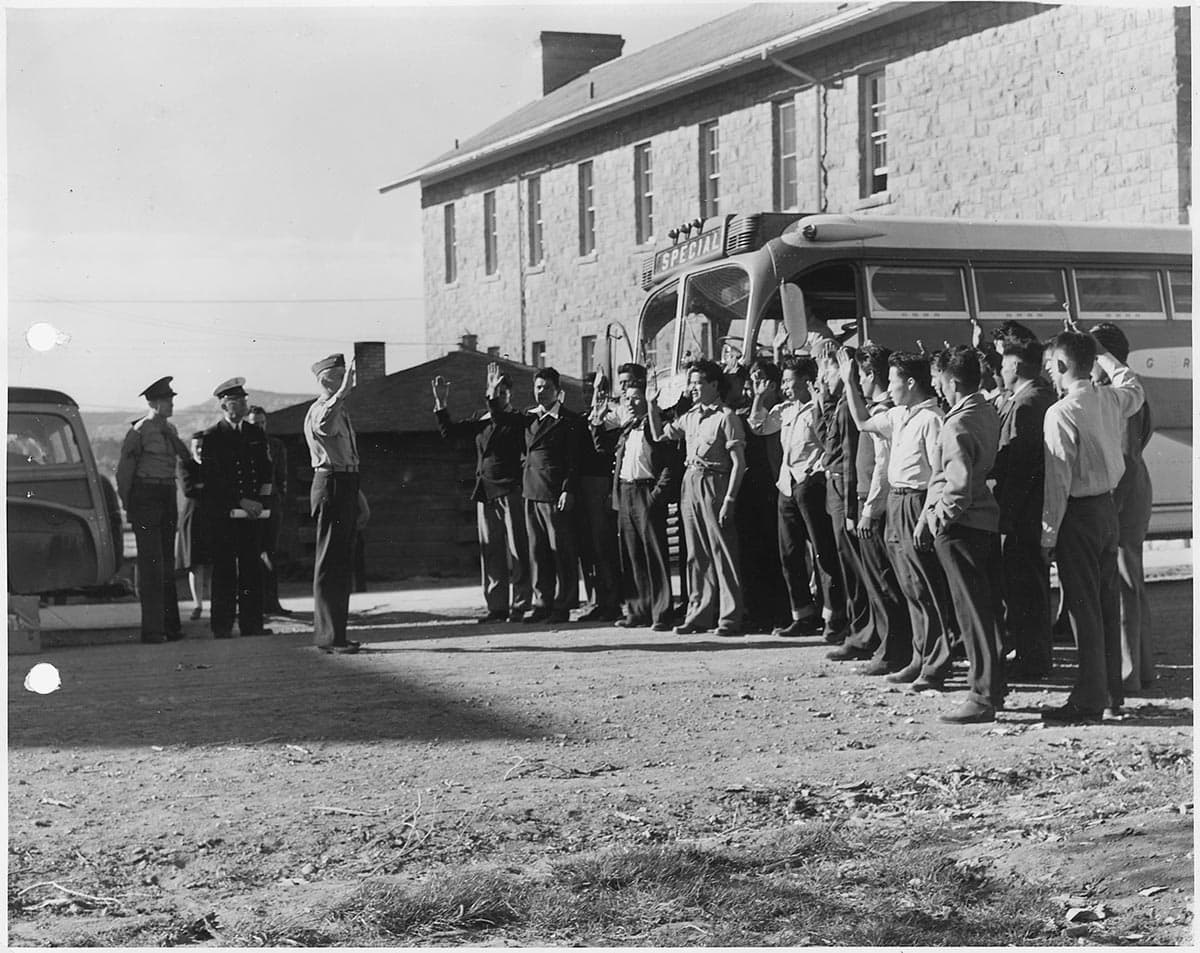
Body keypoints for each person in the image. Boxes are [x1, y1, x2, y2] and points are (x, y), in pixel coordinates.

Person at [1040, 329, 1144, 723]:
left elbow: (1058, 482)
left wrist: (1047, 535)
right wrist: (1103, 355)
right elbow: (1134, 386)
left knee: (1083, 610)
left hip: (1078, 515)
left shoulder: (1060, 412)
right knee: (1106, 605)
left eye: (1050, 365)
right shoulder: (1109, 398)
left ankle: (1088, 699)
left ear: (1061, 363)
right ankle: (1111, 694)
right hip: (1107, 510)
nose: (1049, 372)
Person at [839, 349, 955, 691]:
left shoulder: (931, 419)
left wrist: (926, 518)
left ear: (911, 382)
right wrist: (849, 383)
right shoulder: (900, 415)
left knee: (926, 586)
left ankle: (936, 664)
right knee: (909, 586)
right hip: (896, 501)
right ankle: (919, 658)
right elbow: (863, 422)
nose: (888, 388)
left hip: (917, 502)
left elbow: (938, 474)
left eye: (893, 381)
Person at [914, 346, 1005, 724]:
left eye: (939, 379)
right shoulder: (985, 411)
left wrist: (937, 520)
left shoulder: (956, 424)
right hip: (983, 523)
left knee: (971, 614)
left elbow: (957, 487)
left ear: (952, 382)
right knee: (986, 611)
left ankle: (981, 696)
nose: (936, 385)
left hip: (961, 527)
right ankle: (992, 688)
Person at [747, 355, 845, 639]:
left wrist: (816, 471)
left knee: (822, 552)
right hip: (787, 486)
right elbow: (758, 426)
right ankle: (802, 615)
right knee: (790, 553)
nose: (785, 386)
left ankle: (833, 615)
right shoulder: (784, 409)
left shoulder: (818, 407)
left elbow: (828, 442)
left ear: (806, 381)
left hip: (810, 483)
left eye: (790, 381)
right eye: (784, 381)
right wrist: (759, 397)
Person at [648, 359, 746, 636]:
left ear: (714, 385)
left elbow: (739, 463)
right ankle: (698, 614)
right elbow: (659, 435)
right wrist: (652, 406)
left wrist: (729, 499)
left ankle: (729, 617)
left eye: (698, 382)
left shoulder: (727, 417)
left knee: (722, 551)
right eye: (690, 383)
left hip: (715, 483)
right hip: (690, 482)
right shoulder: (690, 416)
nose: (692, 388)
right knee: (695, 554)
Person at [433, 362, 531, 623]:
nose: (499, 396)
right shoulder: (481, 418)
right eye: (496, 392)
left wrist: (492, 395)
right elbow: (451, 433)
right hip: (486, 491)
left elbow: (499, 416)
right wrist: (441, 403)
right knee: (492, 552)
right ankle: (497, 607)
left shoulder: (517, 419)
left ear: (510, 395)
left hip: (511, 490)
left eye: (503, 392)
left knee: (518, 550)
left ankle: (521, 604)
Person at [490, 366, 584, 625]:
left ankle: (563, 605)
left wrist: (568, 489)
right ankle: (542, 604)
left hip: (555, 494)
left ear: (558, 391)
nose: (541, 392)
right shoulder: (529, 418)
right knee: (537, 552)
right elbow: (500, 418)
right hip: (531, 492)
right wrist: (493, 393)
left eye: (547, 388)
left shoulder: (568, 420)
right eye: (538, 387)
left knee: (561, 552)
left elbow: (574, 461)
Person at [1090, 322, 1155, 694]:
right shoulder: (1127, 390)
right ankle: (1141, 668)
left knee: (1123, 584)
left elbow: (1126, 456)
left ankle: (1129, 673)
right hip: (1133, 488)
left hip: (1123, 492)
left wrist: (1111, 508)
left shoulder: (1120, 396)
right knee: (1131, 581)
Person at [844, 344, 913, 676]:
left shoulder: (885, 412)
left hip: (877, 504)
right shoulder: (878, 410)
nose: (859, 382)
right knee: (877, 582)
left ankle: (893, 652)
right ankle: (888, 647)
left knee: (884, 582)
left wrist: (869, 509)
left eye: (861, 376)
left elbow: (883, 467)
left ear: (872, 375)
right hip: (869, 500)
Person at [991, 333, 1056, 679]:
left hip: (1022, 513)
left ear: (1016, 366)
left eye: (1003, 365)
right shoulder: (1035, 397)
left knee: (1025, 587)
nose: (1001, 371)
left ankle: (1032, 660)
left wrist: (1006, 514)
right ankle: (1032, 655)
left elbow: (1019, 467)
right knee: (1029, 585)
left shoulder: (1026, 404)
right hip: (1030, 511)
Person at [116, 375, 191, 643]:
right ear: (153, 403)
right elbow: (124, 472)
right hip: (145, 495)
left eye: (171, 399)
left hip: (167, 493)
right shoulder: (140, 431)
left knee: (167, 563)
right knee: (151, 564)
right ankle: (153, 630)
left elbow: (183, 460)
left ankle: (171, 627)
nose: (171, 404)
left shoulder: (170, 430)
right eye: (166, 400)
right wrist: (129, 504)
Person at [305, 354, 369, 653]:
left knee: (341, 563)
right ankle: (329, 637)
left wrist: (359, 496)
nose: (349, 382)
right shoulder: (323, 409)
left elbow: (347, 460)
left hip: (345, 483)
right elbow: (324, 427)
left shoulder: (339, 409)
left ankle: (336, 635)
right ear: (326, 380)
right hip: (331, 484)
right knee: (330, 563)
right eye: (343, 376)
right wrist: (340, 395)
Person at [815, 342, 874, 657]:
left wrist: (851, 507)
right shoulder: (839, 403)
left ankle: (862, 633)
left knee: (854, 568)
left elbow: (851, 456)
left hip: (845, 490)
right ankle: (856, 629)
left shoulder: (851, 405)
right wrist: (823, 394)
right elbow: (826, 437)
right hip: (835, 489)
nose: (824, 376)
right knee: (844, 563)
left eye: (829, 369)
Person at [202, 378, 274, 639]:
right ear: (224, 405)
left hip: (252, 514)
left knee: (251, 568)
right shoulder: (213, 436)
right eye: (236, 401)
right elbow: (213, 479)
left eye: (244, 400)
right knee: (224, 570)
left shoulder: (255, 434)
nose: (243, 404)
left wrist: (261, 503)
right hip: (225, 514)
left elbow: (265, 471)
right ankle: (222, 626)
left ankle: (251, 625)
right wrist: (240, 501)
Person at [608, 372, 679, 630]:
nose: (629, 402)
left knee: (654, 554)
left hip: (646, 492)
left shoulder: (655, 426)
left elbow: (669, 466)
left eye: (635, 398)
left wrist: (656, 496)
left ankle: (662, 613)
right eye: (626, 398)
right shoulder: (627, 429)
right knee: (631, 554)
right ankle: (638, 610)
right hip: (626, 492)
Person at [578, 372, 623, 622]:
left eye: (597, 391)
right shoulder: (579, 420)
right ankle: (596, 600)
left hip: (601, 486)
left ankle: (612, 601)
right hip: (582, 489)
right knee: (588, 548)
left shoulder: (612, 421)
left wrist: (608, 492)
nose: (591, 396)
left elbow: (606, 454)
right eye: (587, 391)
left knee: (604, 546)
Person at [246, 405, 290, 617]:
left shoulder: (275, 445)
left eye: (262, 423)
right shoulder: (243, 444)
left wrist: (277, 497)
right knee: (251, 553)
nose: (260, 427)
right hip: (250, 505)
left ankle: (272, 602)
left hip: (271, 503)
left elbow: (281, 476)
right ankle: (253, 604)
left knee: (270, 553)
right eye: (255, 424)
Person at [175, 431, 210, 621]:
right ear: (191, 448)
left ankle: (215, 604)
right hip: (193, 518)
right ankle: (198, 605)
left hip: (213, 517)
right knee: (195, 564)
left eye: (203, 446)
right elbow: (188, 489)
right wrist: (207, 487)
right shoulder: (185, 465)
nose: (200, 450)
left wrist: (202, 486)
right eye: (197, 446)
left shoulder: (214, 464)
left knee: (215, 562)